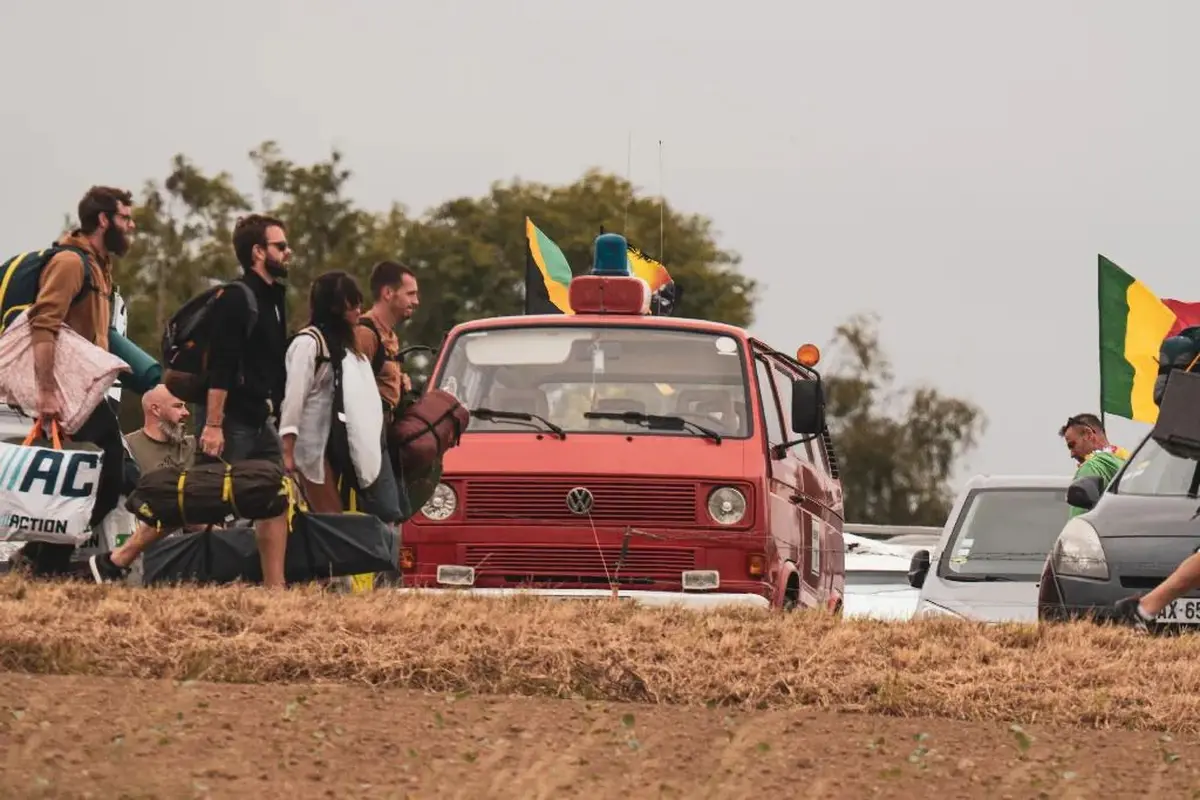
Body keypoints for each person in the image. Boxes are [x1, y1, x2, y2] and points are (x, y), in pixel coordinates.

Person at [89, 214, 292, 587]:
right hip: (230, 420)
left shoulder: (274, 299)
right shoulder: (237, 298)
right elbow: (222, 367)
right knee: (197, 499)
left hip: (259, 420)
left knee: (276, 495)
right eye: (280, 246)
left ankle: (275, 589)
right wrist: (213, 425)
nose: (288, 252)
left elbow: (271, 366)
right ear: (258, 252)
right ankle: (117, 560)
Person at [18, 186, 136, 577]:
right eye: (125, 218)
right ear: (103, 220)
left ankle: (38, 560)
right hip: (65, 391)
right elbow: (44, 324)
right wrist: (47, 392)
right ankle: (41, 563)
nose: (131, 225)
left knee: (99, 479)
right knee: (104, 477)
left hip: (87, 389)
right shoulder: (71, 263)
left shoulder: (99, 265)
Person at [279, 270, 394, 523]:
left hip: (334, 444)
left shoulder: (344, 346)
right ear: (334, 307)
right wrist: (287, 449)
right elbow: (294, 399)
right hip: (310, 446)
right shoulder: (308, 344)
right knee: (329, 517)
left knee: (334, 516)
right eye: (351, 304)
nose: (358, 311)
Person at [1060, 413, 1128, 518]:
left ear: (1088, 434)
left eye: (1072, 445)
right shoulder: (1129, 464)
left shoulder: (1091, 467)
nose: (1072, 454)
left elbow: (1079, 525)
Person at [124, 384, 195, 473]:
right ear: (156, 410)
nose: (186, 412)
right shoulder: (128, 447)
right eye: (178, 406)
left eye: (185, 406)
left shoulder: (193, 446)